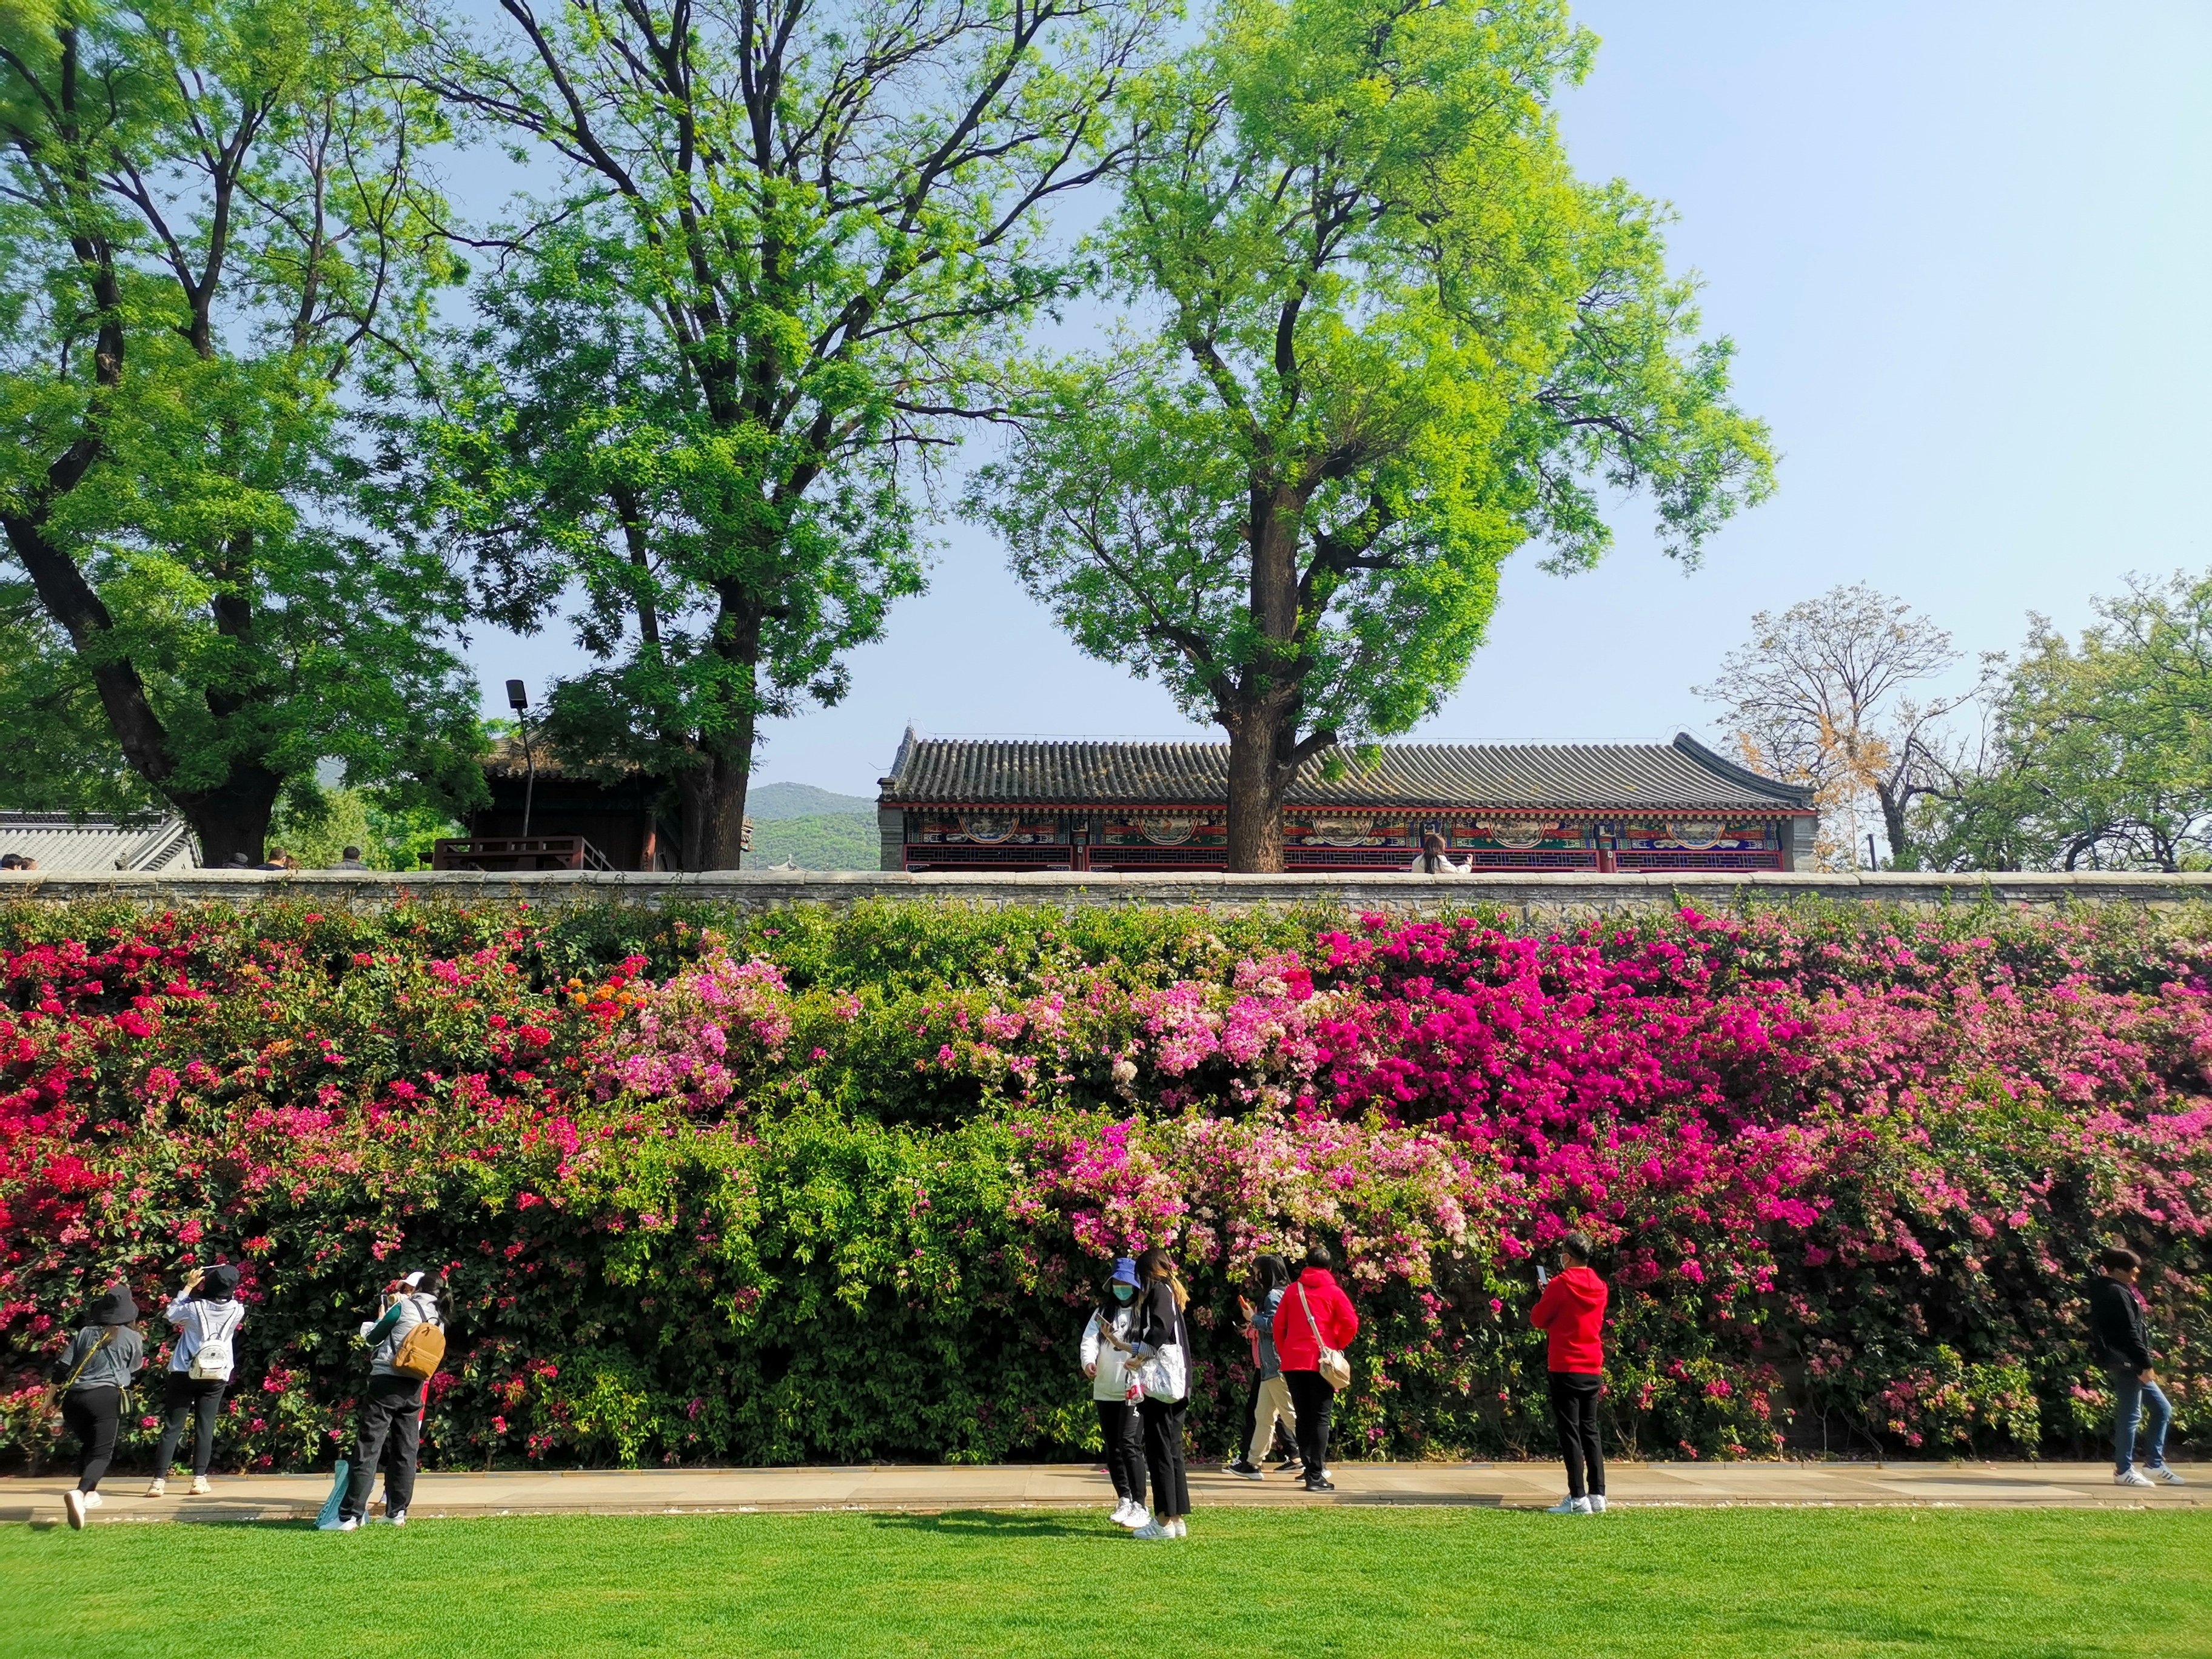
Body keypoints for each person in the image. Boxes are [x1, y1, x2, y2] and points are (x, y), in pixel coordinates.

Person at [327, 1270, 446, 1530]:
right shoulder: (440, 1318)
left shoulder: (403, 1306)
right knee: (406, 1450)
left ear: (417, 1288)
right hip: (414, 1386)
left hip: (386, 1382)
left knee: (369, 1447)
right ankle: (397, 1512)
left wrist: (380, 1319)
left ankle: (350, 1517)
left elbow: (373, 1337)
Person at [2090, 1247, 2185, 1487]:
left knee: (2162, 1409)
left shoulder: (2117, 1289)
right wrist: (2145, 1364)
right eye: (2133, 1271)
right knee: (2131, 1416)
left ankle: (2154, 1464)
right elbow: (2128, 1333)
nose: (2136, 1276)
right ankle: (2124, 1470)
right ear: (2119, 1270)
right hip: (2129, 1362)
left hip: (2132, 1361)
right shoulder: (2113, 1292)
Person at [146, 1264, 244, 1497]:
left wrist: (189, 1286)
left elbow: (171, 1314)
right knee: (205, 1426)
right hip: (216, 1373)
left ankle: (158, 1482)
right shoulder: (238, 1310)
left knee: (172, 1426)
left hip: (183, 1370)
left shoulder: (193, 1309)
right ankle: (199, 1480)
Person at [50, 1284, 144, 1530]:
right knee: (103, 1453)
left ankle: (91, 1494)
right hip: (105, 1397)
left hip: (74, 1400)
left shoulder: (84, 1333)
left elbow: (61, 1368)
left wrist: (48, 1400)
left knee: (91, 1446)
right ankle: (80, 1494)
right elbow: (134, 1370)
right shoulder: (133, 1337)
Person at [1530, 1232, 1608, 1515]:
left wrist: (1545, 1296)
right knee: (1590, 1429)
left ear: (1568, 1257)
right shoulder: (1601, 1286)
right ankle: (1597, 1494)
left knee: (1570, 1432)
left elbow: (1539, 1319)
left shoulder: (1560, 1284)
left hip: (1565, 1364)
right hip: (1592, 1365)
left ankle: (1577, 1498)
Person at [1272, 1242, 1358, 1492]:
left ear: (1306, 1265)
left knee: (1303, 1416)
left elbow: (1280, 1326)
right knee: (1321, 1417)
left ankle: (1310, 1470)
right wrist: (1337, 1343)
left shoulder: (1292, 1291)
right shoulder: (1334, 1292)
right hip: (1322, 1362)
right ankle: (1316, 1474)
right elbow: (1351, 1322)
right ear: (1330, 1267)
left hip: (1293, 1361)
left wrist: (1285, 1350)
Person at [1125, 1247, 1192, 1540]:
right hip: (1179, 1384)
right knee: (1172, 1451)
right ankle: (1176, 1518)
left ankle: (1163, 1521)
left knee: (1159, 1451)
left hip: (1162, 1386)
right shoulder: (1173, 1292)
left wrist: (1139, 1355)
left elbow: (1160, 1329)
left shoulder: (1159, 1293)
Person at [1080, 1258, 1149, 1527]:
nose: (1122, 1288)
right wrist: (1089, 1362)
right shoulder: (1103, 1312)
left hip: (1133, 1389)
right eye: (1117, 1283)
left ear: (1135, 1286)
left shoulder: (1143, 1313)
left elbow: (1148, 1345)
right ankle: (1125, 1498)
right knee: (1113, 1447)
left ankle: (1140, 1504)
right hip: (1106, 1388)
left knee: (1129, 1443)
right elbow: (1089, 1339)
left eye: (1126, 1284)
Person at [1225, 1254, 1297, 1478]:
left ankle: (1315, 1462)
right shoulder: (1285, 1292)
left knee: (1290, 1415)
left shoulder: (1274, 1295)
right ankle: (1253, 1463)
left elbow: (1276, 1325)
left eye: (1257, 1272)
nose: (1254, 1276)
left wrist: (1252, 1317)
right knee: (1263, 1415)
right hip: (1270, 1364)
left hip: (1276, 1363)